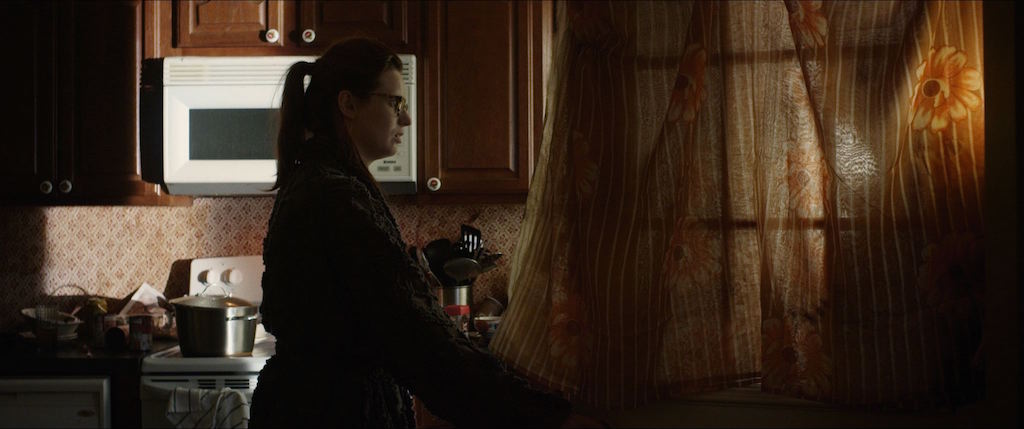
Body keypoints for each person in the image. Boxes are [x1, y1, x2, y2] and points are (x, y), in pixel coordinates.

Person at [251, 37, 603, 428]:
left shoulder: (320, 183)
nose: (406, 119)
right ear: (348, 104)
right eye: (395, 103)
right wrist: (548, 418)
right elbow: (421, 344)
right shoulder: (337, 197)